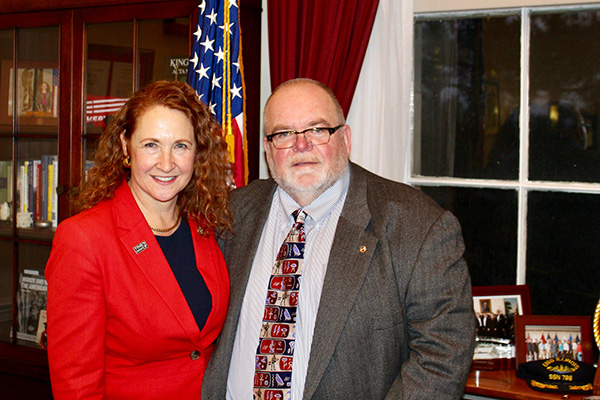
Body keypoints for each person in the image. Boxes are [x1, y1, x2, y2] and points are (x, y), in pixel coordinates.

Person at [202, 78, 476, 399]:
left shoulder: (417, 225)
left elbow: (442, 354)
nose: (301, 145)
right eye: (284, 133)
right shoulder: (231, 214)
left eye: (318, 129)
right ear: (267, 148)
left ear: (345, 138)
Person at [46, 80, 232, 399]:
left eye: (180, 146)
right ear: (125, 147)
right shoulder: (84, 239)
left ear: (197, 152)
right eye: (151, 145)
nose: (166, 163)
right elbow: (76, 383)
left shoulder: (207, 224)